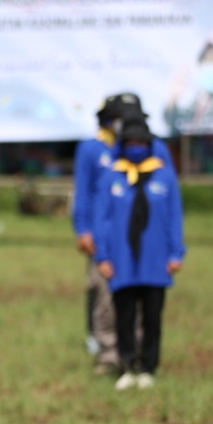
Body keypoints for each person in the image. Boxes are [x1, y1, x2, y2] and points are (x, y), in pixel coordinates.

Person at [94, 120, 185, 390]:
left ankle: (148, 365)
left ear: (149, 146)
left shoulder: (164, 176)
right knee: (123, 315)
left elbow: (174, 217)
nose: (136, 149)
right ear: (122, 147)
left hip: (155, 259)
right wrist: (103, 256)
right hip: (122, 260)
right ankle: (127, 364)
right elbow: (102, 220)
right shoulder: (112, 176)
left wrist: (176, 252)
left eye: (141, 144)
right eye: (130, 144)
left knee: (152, 316)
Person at [72, 95, 125, 374]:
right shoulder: (91, 149)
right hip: (99, 233)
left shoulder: (132, 147)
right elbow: (82, 191)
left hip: (127, 232)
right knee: (99, 289)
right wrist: (82, 229)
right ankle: (103, 346)